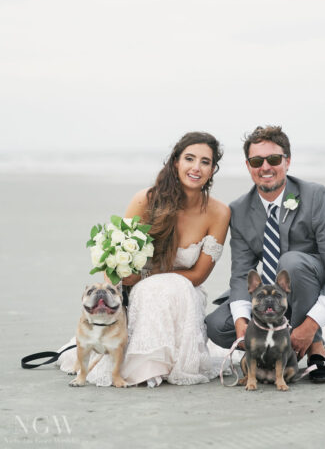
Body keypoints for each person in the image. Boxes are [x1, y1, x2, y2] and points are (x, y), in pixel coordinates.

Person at [57, 132, 230, 386]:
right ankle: (139, 363)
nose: (196, 167)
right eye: (189, 159)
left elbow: (198, 275)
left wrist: (152, 276)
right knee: (150, 291)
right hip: (138, 290)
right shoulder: (146, 200)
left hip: (185, 291)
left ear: (213, 169)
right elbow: (114, 263)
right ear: (175, 163)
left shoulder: (219, 212)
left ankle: (166, 364)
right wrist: (126, 280)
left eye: (205, 162)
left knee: (170, 287)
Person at [205, 125, 325, 382]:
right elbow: (242, 272)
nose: (265, 167)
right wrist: (242, 321)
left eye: (273, 159)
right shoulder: (240, 210)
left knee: (292, 262)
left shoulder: (315, 196)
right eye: (257, 161)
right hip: (272, 303)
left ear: (287, 161)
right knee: (218, 326)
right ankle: (275, 350)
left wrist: (309, 326)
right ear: (248, 165)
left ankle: (316, 351)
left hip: (319, 291)